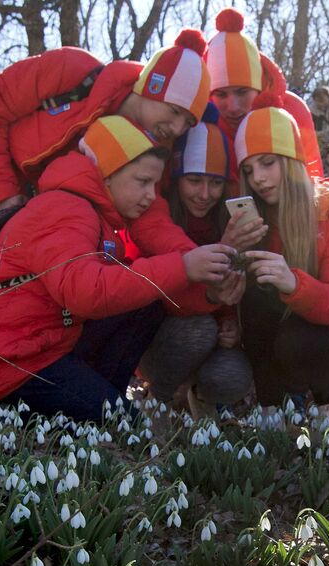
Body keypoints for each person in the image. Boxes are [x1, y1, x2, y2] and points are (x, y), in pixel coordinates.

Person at [0, 116, 237, 422]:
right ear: (105, 175)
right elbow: (84, 293)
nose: (151, 196)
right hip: (7, 359)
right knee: (127, 428)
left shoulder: (90, 212)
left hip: (43, 344)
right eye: (142, 182)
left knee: (144, 306)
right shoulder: (65, 209)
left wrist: (205, 288)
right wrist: (182, 266)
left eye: (154, 185)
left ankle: (98, 400)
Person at [0, 29, 212, 228]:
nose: (178, 128)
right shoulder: (71, 69)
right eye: (175, 111)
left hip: (37, 215)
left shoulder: (158, 148)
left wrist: (186, 260)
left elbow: (149, 212)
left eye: (188, 123)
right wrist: (4, 198)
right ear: (151, 88)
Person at [232, 101, 329, 419]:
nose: (258, 179)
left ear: (292, 160)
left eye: (268, 163)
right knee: (254, 297)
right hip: (276, 330)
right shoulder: (257, 217)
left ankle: (328, 412)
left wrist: (293, 282)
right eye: (249, 170)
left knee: (301, 338)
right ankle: (271, 413)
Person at [139, 123, 262, 414]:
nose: (205, 194)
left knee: (231, 378)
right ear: (176, 178)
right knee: (198, 330)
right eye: (194, 180)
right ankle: (158, 403)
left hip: (211, 332)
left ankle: (201, 400)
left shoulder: (226, 217)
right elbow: (163, 296)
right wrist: (224, 251)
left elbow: (232, 291)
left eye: (216, 183)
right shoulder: (158, 218)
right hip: (160, 338)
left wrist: (231, 324)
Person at [204, 8, 323, 181]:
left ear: (259, 88)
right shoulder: (199, 120)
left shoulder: (292, 110)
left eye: (242, 92)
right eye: (221, 95)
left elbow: (313, 176)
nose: (233, 107)